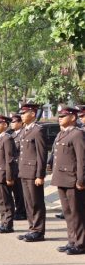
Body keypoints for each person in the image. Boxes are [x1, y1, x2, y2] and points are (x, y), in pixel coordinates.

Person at [50, 107, 85, 255]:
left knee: (77, 213)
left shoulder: (77, 134)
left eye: (63, 116)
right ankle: (72, 240)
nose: (60, 118)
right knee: (68, 212)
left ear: (72, 117)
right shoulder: (61, 134)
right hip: (61, 178)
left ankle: (81, 243)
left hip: (72, 179)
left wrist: (81, 179)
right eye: (59, 116)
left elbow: (81, 159)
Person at [16, 103, 47, 242]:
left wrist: (40, 174)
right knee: (28, 202)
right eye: (21, 113)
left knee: (36, 202)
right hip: (24, 171)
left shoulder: (37, 130)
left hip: (34, 172)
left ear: (33, 114)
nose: (21, 115)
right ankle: (32, 228)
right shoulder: (24, 130)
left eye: (24, 113)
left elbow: (41, 154)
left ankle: (38, 231)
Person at [9, 113, 27, 220]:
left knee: (21, 191)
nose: (12, 124)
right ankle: (19, 209)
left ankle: (22, 211)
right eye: (11, 122)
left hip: (21, 165)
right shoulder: (12, 135)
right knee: (16, 190)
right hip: (14, 167)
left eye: (14, 121)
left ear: (21, 123)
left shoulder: (23, 133)